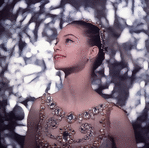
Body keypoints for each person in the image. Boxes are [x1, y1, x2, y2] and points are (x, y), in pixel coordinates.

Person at [23, 19, 137, 148]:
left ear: (92, 52)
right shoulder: (39, 108)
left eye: (69, 40)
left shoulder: (114, 118)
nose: (56, 47)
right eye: (56, 42)